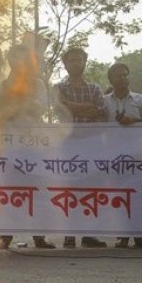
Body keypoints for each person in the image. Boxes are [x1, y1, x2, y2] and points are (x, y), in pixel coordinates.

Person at [0, 45, 54, 250]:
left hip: (34, 144)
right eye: (13, 59)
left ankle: (39, 237)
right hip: (10, 146)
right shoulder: (3, 85)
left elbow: (39, 108)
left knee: (37, 189)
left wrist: (15, 105)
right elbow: (0, 111)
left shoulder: (37, 84)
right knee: (9, 190)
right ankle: (6, 236)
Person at [53, 47, 107, 249]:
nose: (76, 63)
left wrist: (72, 106)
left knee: (91, 189)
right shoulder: (58, 87)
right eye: (72, 60)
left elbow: (100, 111)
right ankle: (69, 235)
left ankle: (89, 234)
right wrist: (85, 108)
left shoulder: (94, 88)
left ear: (85, 62)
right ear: (65, 65)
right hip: (68, 144)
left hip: (92, 144)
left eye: (80, 59)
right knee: (69, 189)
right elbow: (61, 110)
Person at [102, 63, 142, 249]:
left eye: (125, 75)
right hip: (113, 157)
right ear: (111, 80)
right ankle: (123, 236)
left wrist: (134, 121)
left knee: (139, 196)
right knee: (119, 196)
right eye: (118, 76)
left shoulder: (140, 100)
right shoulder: (104, 101)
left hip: (136, 157)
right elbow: (97, 127)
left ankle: (140, 236)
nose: (123, 78)